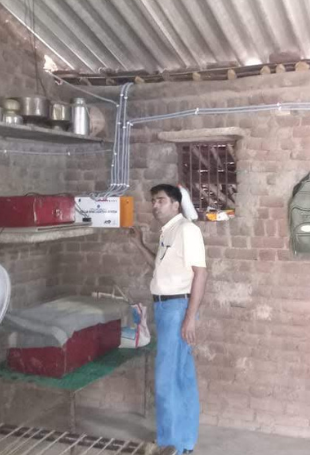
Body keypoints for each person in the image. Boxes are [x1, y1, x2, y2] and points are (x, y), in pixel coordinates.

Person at [130, 184, 207, 454]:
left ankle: (169, 444)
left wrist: (190, 318)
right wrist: (138, 244)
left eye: (160, 200)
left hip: (177, 308)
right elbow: (159, 267)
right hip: (167, 308)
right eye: (153, 201)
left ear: (176, 204)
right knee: (181, 376)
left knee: (165, 378)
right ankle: (184, 443)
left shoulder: (187, 230)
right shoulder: (169, 231)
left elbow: (200, 274)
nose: (155, 205)